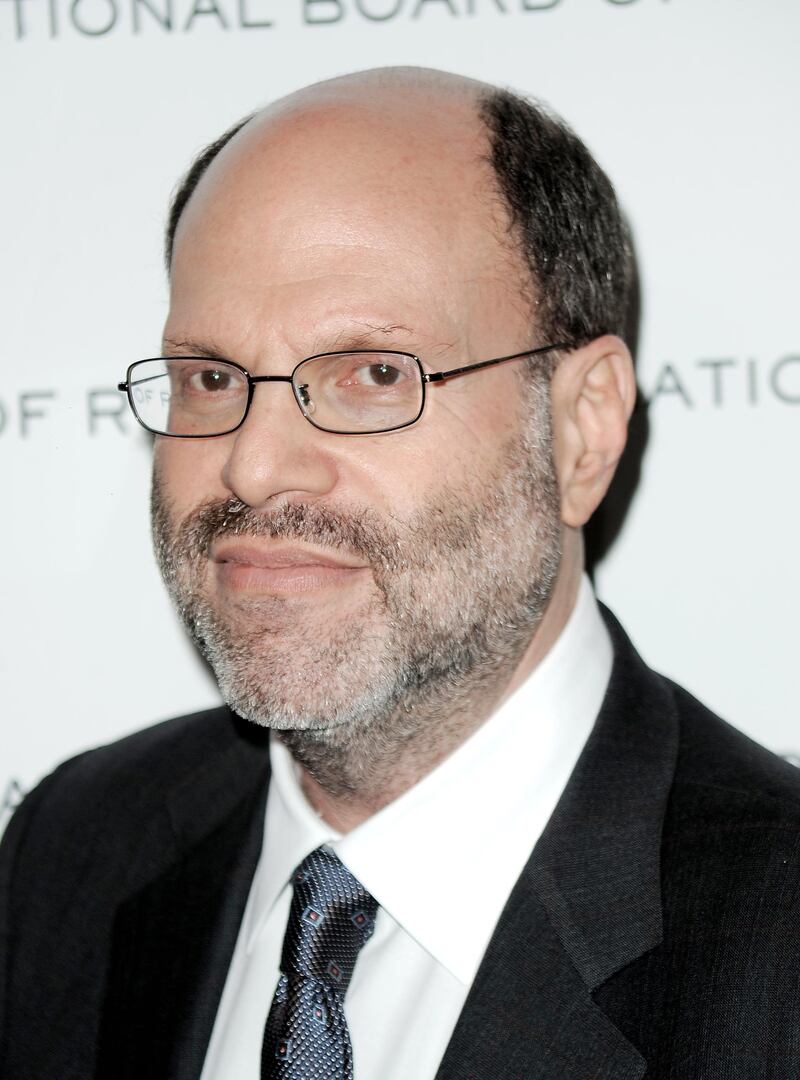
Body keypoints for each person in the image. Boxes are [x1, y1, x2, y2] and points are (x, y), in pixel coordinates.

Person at [1, 66, 799, 1080]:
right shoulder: (75, 846)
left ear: (580, 429)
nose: (252, 463)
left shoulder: (774, 952)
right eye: (210, 379)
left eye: (374, 375)